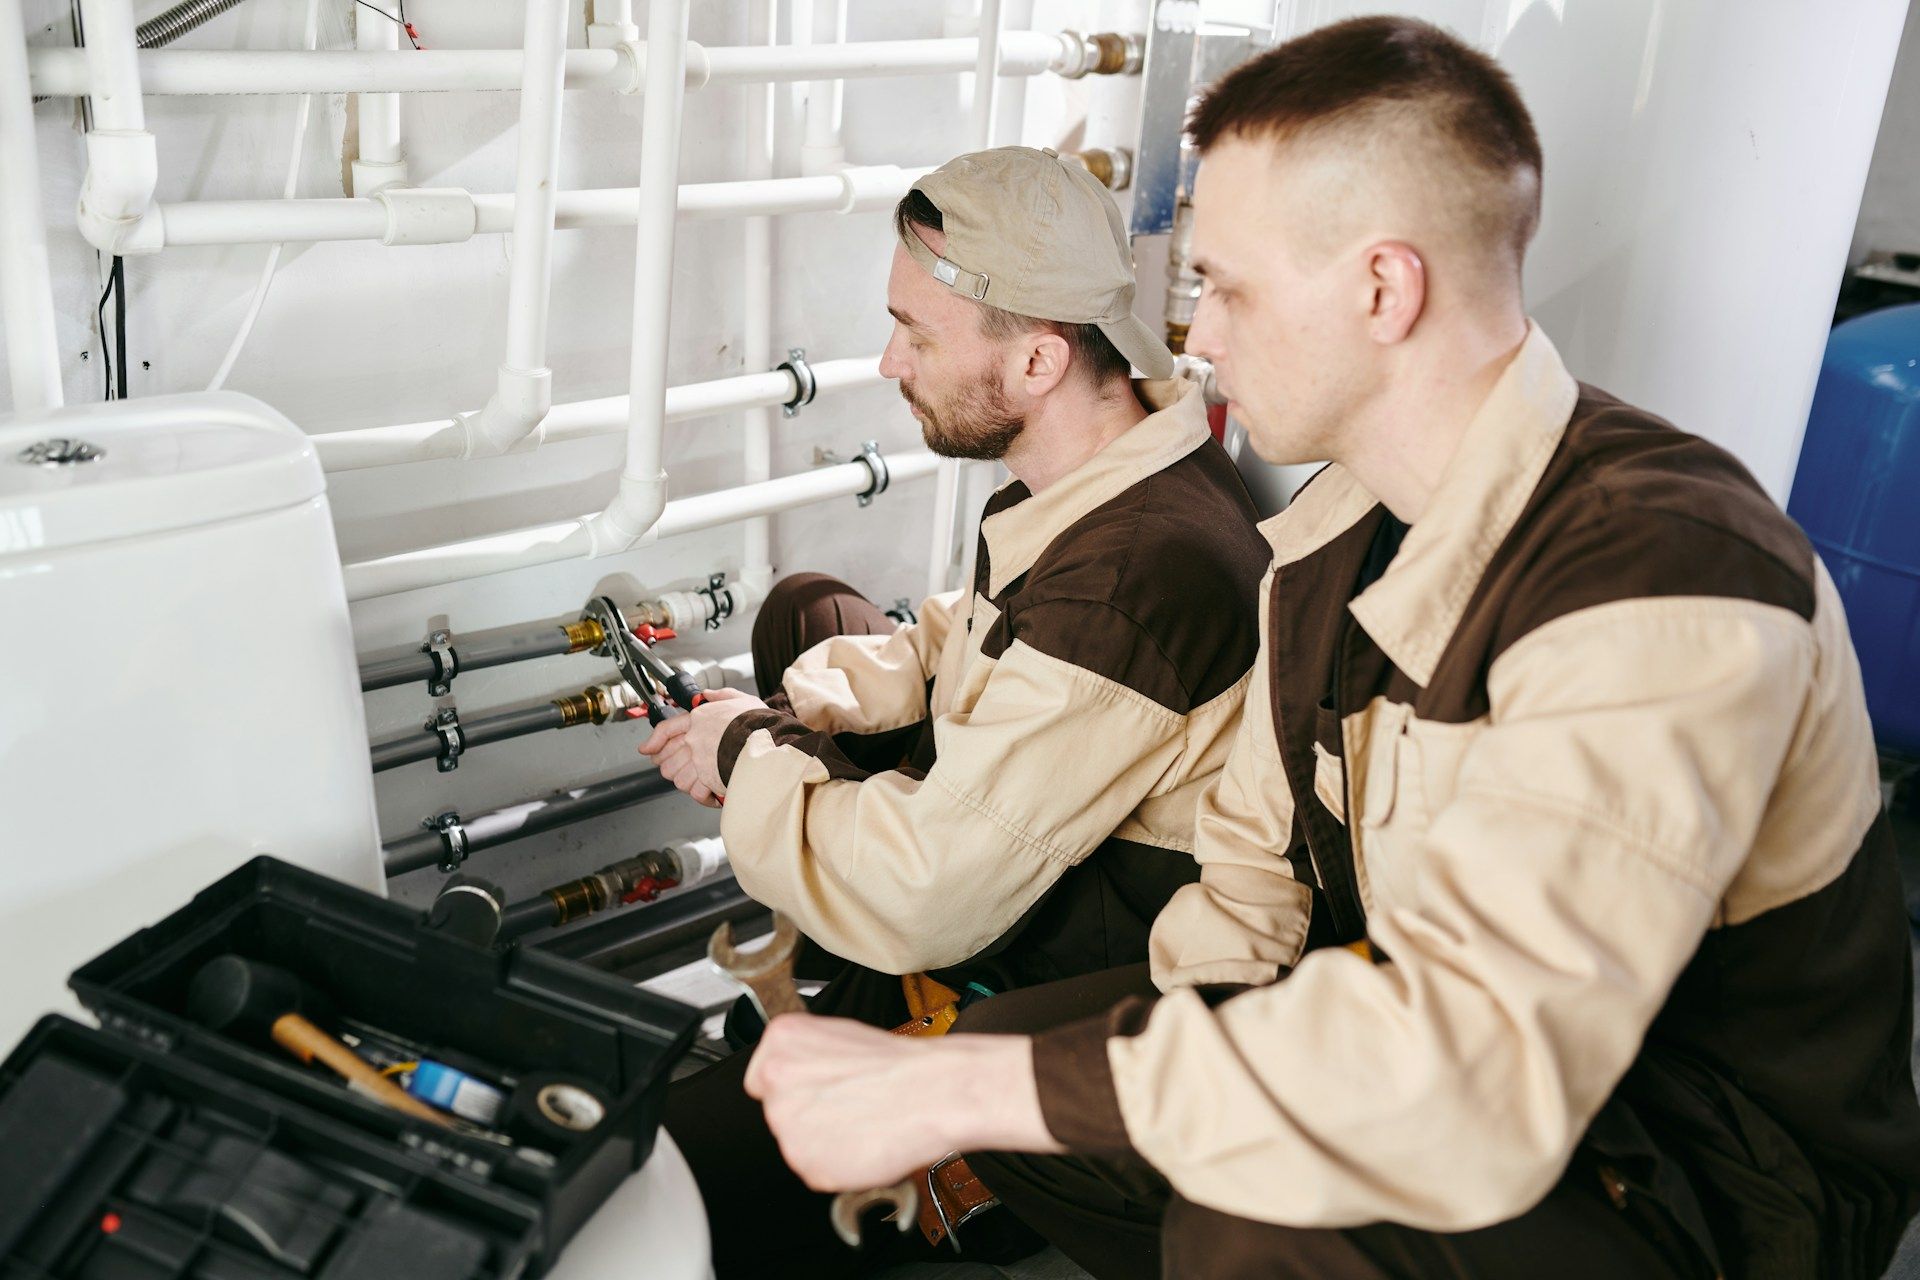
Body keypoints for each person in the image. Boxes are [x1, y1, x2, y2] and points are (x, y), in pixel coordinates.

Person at [741, 18, 1920, 1280]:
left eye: (1230, 289)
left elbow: (1481, 1067)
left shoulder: (1663, 569)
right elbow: (1253, 879)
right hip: (1476, 1052)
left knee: (1249, 1215)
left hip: (1702, 1168)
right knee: (1058, 1069)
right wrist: (1114, 1063)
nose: (1196, 340)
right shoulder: (1333, 535)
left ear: (1381, 287)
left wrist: (969, 1097)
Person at [645, 145, 1271, 1275]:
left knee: (673, 1178)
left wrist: (751, 752)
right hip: (1038, 840)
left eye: (918, 335)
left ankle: (963, 1154)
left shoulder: (1138, 579)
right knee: (805, 617)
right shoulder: (1120, 462)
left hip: (1067, 958)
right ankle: (868, 998)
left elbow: (923, 888)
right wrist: (816, 702)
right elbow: (974, 625)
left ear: (1036, 358)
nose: (888, 360)